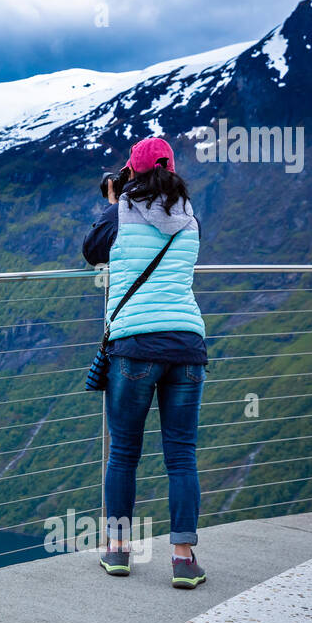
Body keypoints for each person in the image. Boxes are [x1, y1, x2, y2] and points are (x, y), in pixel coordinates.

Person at [82, 137, 208, 589]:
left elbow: (91, 250)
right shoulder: (190, 219)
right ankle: (183, 558)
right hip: (188, 346)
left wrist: (114, 202)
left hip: (135, 346)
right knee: (181, 454)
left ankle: (117, 552)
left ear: (130, 173)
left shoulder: (119, 215)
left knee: (124, 453)